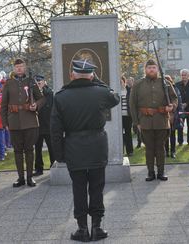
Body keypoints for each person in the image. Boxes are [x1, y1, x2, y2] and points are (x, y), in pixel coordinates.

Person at [51, 59, 119, 242]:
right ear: (92, 75)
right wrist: (96, 81)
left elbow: (55, 129)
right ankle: (97, 227)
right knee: (97, 187)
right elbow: (115, 97)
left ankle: (82, 229)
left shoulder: (60, 97)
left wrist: (59, 154)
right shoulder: (101, 92)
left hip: (74, 147)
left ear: (72, 75)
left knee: (79, 188)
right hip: (97, 146)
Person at [129, 59, 178, 181]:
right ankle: (150, 172)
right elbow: (132, 104)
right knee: (149, 148)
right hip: (145, 121)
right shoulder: (138, 84)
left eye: (154, 67)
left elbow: (174, 98)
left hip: (161, 120)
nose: (151, 69)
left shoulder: (165, 83)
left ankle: (161, 172)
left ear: (157, 69)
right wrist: (136, 122)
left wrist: (172, 106)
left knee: (160, 148)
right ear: (145, 69)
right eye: (149, 67)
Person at [1, 59, 45, 187]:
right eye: (17, 67)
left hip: (30, 121)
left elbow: (42, 98)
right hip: (13, 121)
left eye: (21, 66)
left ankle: (30, 177)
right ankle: (21, 178)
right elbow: (4, 105)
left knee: (29, 150)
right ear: (14, 69)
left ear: (24, 68)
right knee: (18, 151)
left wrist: (35, 105)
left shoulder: (31, 81)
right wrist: (5, 123)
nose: (19, 69)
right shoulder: (8, 83)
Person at [34, 75, 54, 176]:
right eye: (37, 82)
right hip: (37, 125)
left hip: (48, 124)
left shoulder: (49, 93)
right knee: (37, 149)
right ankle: (38, 169)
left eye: (40, 81)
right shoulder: (33, 93)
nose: (38, 83)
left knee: (51, 148)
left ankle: (53, 167)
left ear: (44, 82)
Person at [164, 75, 182, 159]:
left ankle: (173, 151)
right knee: (165, 135)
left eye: (168, 81)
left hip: (173, 114)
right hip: (164, 114)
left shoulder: (175, 89)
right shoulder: (161, 90)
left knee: (172, 134)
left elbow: (178, 100)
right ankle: (166, 151)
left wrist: (174, 109)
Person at [176, 69, 189, 146]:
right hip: (180, 109)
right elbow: (175, 96)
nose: (183, 76)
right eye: (182, 75)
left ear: (188, 76)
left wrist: (187, 104)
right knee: (180, 125)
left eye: (185, 75)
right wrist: (181, 104)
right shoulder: (177, 85)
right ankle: (180, 142)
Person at [120, 75, 133, 156]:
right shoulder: (116, 91)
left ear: (124, 82)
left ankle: (130, 151)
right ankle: (121, 151)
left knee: (128, 133)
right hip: (119, 117)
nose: (120, 83)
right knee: (120, 134)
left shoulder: (129, 90)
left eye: (121, 81)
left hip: (128, 116)